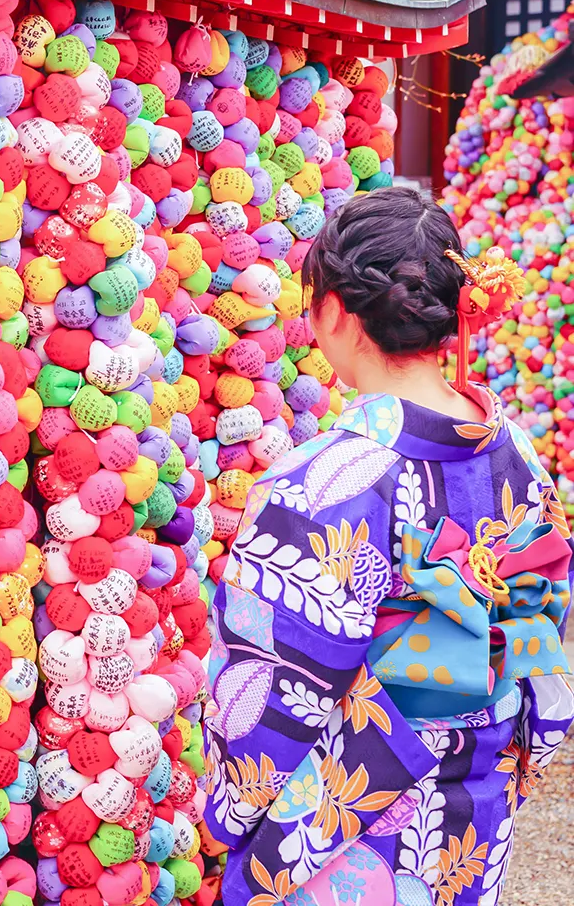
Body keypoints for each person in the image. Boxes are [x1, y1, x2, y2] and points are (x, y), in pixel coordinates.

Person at [203, 185, 573, 906]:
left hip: (343, 820)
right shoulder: (518, 451)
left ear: (336, 311)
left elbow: (276, 687)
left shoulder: (317, 484)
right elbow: (541, 630)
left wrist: (233, 813)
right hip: (476, 809)